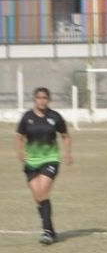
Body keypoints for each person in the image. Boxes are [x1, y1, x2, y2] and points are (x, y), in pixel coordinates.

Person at [15, 87, 72, 244]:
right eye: (39, 97)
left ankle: (46, 231)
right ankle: (51, 230)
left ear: (49, 99)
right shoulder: (27, 117)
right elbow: (19, 136)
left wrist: (67, 153)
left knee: (43, 192)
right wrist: (19, 151)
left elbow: (65, 136)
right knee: (38, 198)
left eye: (44, 97)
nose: (42, 100)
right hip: (31, 162)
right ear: (34, 99)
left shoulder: (55, 117)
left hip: (50, 159)